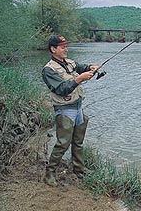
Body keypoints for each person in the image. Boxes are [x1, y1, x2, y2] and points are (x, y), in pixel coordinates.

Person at [42, 35, 100, 187]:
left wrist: (91, 67)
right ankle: (49, 174)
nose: (66, 49)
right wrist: (79, 79)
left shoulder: (69, 62)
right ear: (53, 49)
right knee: (62, 143)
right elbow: (61, 89)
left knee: (78, 142)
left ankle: (79, 169)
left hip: (78, 106)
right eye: (62, 47)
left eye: (66, 46)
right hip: (64, 110)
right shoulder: (48, 70)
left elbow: (80, 67)